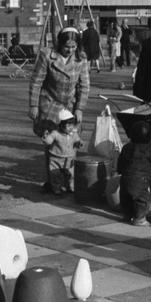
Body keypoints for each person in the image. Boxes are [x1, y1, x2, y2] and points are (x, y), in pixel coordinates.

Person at [28, 27, 90, 191]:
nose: (70, 50)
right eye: (66, 46)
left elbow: (84, 86)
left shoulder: (81, 59)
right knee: (52, 142)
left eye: (73, 47)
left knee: (71, 141)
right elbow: (36, 82)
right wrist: (34, 105)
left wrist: (80, 109)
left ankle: (68, 180)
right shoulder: (47, 55)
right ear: (60, 44)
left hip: (70, 105)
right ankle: (52, 181)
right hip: (50, 104)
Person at [117, 120, 151, 226]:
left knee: (126, 197)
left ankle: (127, 215)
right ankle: (139, 218)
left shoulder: (126, 147)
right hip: (140, 179)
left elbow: (121, 161)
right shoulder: (150, 149)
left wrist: (119, 170)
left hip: (125, 177)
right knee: (141, 199)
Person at [41, 109, 82, 194]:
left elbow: (77, 142)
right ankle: (56, 189)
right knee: (55, 174)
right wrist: (46, 137)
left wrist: (79, 143)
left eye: (72, 125)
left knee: (71, 175)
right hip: (56, 159)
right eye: (68, 125)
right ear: (60, 125)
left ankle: (71, 188)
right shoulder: (55, 133)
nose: (71, 127)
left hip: (69, 159)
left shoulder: (73, 134)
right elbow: (48, 141)